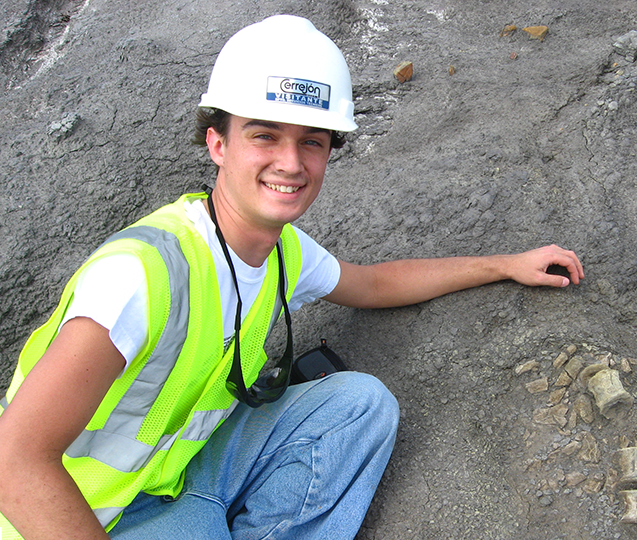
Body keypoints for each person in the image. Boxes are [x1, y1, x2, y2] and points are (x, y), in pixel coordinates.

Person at [0, 14, 583, 540]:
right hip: (84, 514)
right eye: (265, 135)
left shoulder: (281, 254)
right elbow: (15, 461)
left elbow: (375, 285)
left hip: (177, 472)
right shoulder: (142, 276)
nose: (291, 162)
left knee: (360, 405)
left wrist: (504, 265)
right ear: (217, 142)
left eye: (312, 141)